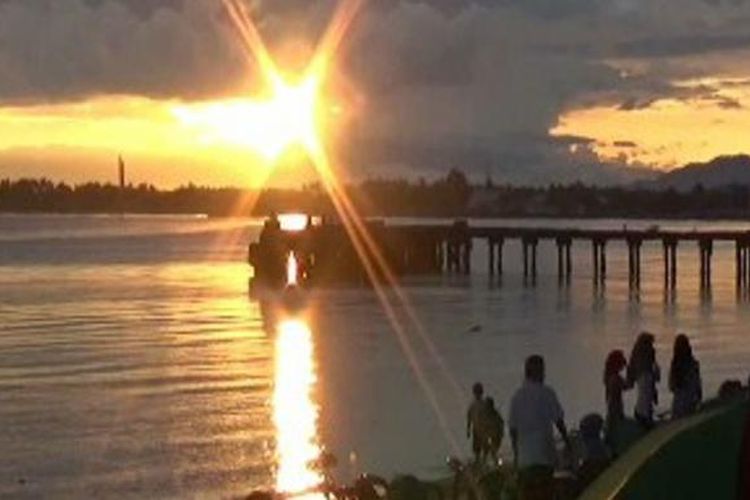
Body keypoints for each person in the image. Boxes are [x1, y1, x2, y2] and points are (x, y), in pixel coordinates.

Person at [509, 355, 570, 498]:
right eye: (542, 370)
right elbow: (559, 421)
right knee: (545, 493)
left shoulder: (516, 397)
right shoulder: (547, 392)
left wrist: (516, 456)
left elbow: (513, 430)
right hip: (544, 457)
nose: (544, 374)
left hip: (525, 461)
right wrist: (567, 443)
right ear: (538, 372)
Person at [626, 332, 660, 430]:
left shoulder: (637, 353)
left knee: (645, 398)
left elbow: (631, 368)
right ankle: (645, 419)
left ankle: (644, 417)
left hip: (644, 377)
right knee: (645, 398)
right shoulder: (645, 353)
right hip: (645, 377)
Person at [668, 334, 702, 419]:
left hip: (679, 404)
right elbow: (697, 385)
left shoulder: (675, 365)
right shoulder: (693, 364)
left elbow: (671, 386)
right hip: (690, 403)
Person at [603, 350, 628, 431]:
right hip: (615, 409)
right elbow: (627, 386)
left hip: (612, 408)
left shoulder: (609, 376)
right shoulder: (615, 378)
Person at [466, 382, 487, 465]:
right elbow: (469, 417)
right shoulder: (473, 405)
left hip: (484, 429)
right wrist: (468, 429)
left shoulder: (484, 404)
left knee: (485, 447)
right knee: (477, 448)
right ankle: (478, 461)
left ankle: (483, 461)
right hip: (477, 430)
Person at [483, 397, 505, 466]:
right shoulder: (485, 414)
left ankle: (496, 464)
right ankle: (485, 464)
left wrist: (500, 433)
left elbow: (501, 424)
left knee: (493, 452)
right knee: (487, 452)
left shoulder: (495, 414)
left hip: (495, 436)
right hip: (488, 436)